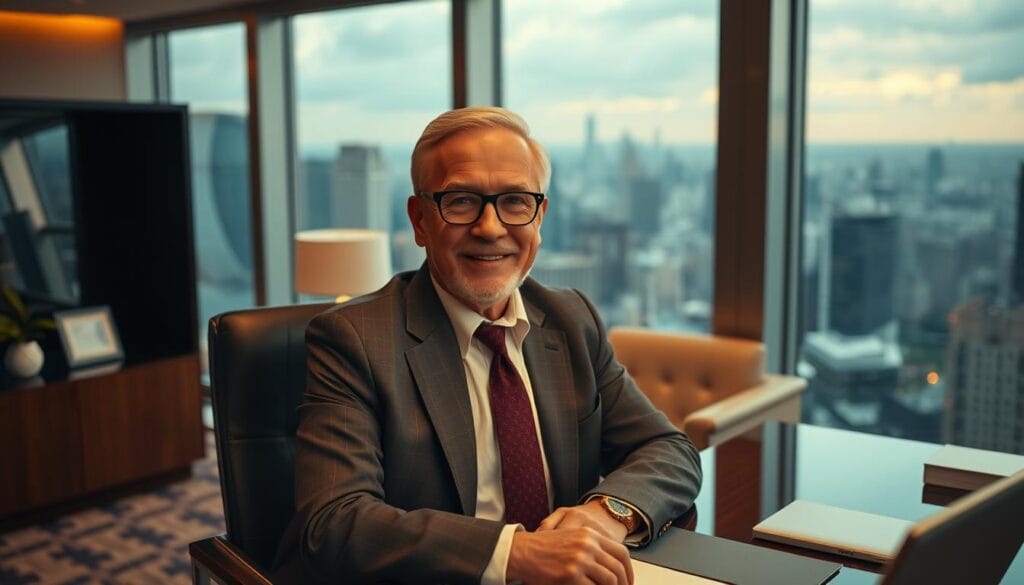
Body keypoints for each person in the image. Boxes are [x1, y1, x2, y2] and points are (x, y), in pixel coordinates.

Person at [273, 107, 702, 585]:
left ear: (540, 216)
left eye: (516, 201)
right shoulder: (354, 339)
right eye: (460, 201)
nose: (491, 227)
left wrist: (606, 514)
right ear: (420, 220)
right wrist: (514, 553)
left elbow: (669, 449)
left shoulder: (571, 319)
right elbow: (334, 522)